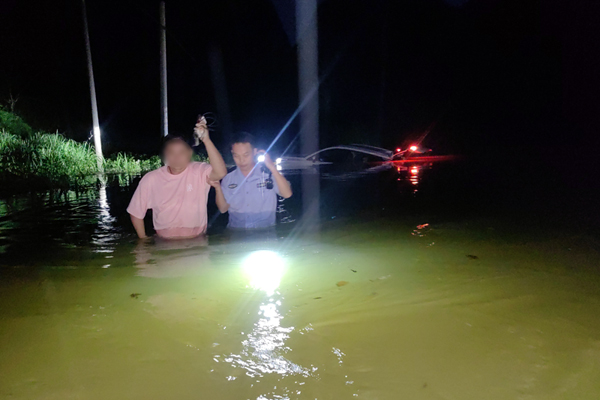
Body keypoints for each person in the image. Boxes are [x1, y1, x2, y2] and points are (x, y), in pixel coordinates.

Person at [127, 118, 227, 239]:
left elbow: (221, 172)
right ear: (164, 154)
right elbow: (136, 212)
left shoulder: (199, 171)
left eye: (182, 152)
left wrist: (206, 139)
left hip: (197, 241)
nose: (177, 157)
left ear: (190, 153)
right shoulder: (151, 179)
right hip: (165, 243)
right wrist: (143, 239)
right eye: (171, 152)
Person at [208, 133, 292, 229]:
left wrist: (272, 167)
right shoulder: (228, 178)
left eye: (246, 155)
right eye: (236, 156)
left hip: (265, 233)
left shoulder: (268, 174)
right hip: (237, 233)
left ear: (255, 152)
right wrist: (217, 188)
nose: (241, 160)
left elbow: (287, 194)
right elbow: (223, 209)